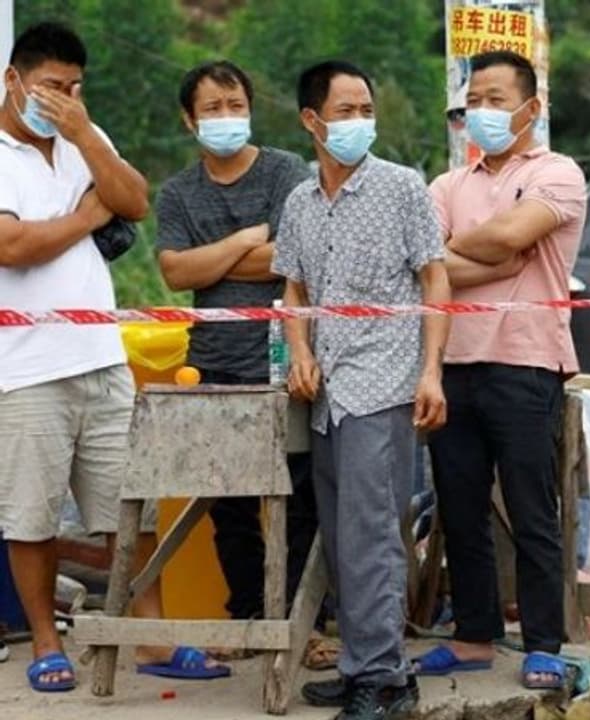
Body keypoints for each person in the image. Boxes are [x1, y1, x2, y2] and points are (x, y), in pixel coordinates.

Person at [0, 22, 226, 692]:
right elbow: (12, 247)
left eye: (73, 87)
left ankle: (150, 637)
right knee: (33, 516)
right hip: (25, 367)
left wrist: (86, 137)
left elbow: (132, 198)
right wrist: (86, 218)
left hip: (101, 358)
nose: (63, 99)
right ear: (14, 80)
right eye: (50, 87)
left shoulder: (80, 141)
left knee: (131, 508)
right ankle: (47, 642)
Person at [274, 60, 449, 720]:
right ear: (311, 121)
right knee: (343, 536)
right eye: (346, 111)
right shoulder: (297, 202)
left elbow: (436, 281)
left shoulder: (402, 188)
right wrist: (298, 351)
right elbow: (292, 289)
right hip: (326, 392)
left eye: (365, 110)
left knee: (374, 534)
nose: (359, 122)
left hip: (383, 381)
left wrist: (430, 371)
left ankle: (384, 678)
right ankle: (362, 668)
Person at [153, 60, 331, 664]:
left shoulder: (286, 172)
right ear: (189, 119)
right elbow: (175, 273)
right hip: (213, 364)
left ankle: (306, 624)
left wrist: (214, 258)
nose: (226, 118)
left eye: (235, 105)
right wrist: (244, 241)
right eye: (212, 109)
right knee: (228, 503)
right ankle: (250, 619)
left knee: (301, 495)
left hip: (288, 359)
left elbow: (292, 258)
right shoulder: (178, 191)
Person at [420, 50, 587, 690]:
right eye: (474, 101)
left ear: (530, 108)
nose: (481, 112)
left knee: (530, 509)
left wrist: (458, 256)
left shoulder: (558, 173)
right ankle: (473, 637)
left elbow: (510, 237)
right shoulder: (444, 186)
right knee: (460, 509)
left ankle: (544, 643)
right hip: (454, 361)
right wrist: (493, 259)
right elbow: (433, 266)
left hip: (525, 360)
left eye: (496, 98)